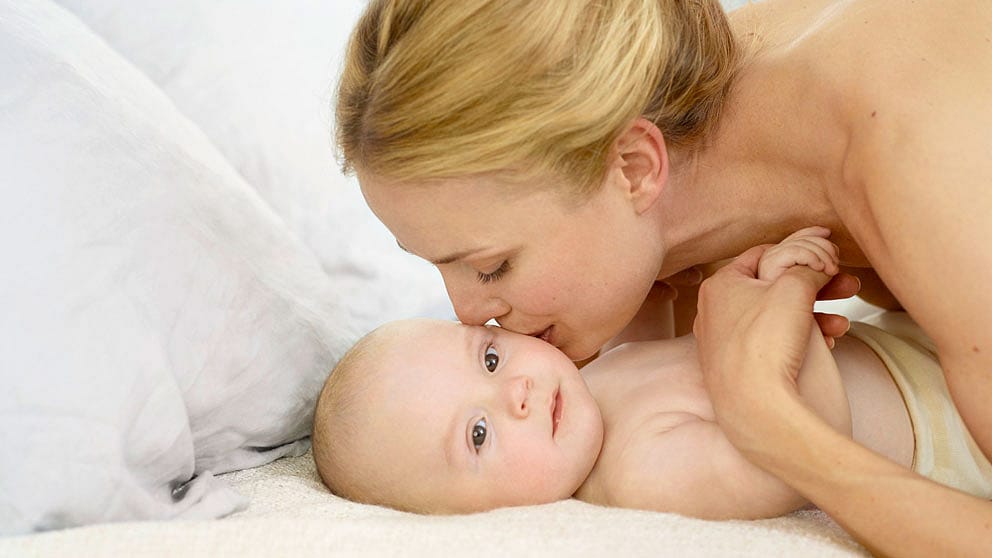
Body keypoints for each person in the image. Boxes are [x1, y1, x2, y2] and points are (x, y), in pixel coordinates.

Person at [334, 1, 992, 553]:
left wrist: (767, 416)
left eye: (491, 266)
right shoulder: (683, 135)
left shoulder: (917, 158)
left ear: (635, 168)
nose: (469, 314)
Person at [311, 228, 992, 519]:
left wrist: (647, 293)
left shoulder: (585, 390)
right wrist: (787, 301)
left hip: (904, 348)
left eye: (489, 359)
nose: (515, 392)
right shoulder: (639, 476)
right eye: (479, 434)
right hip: (946, 433)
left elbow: (650, 350)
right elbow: (795, 460)